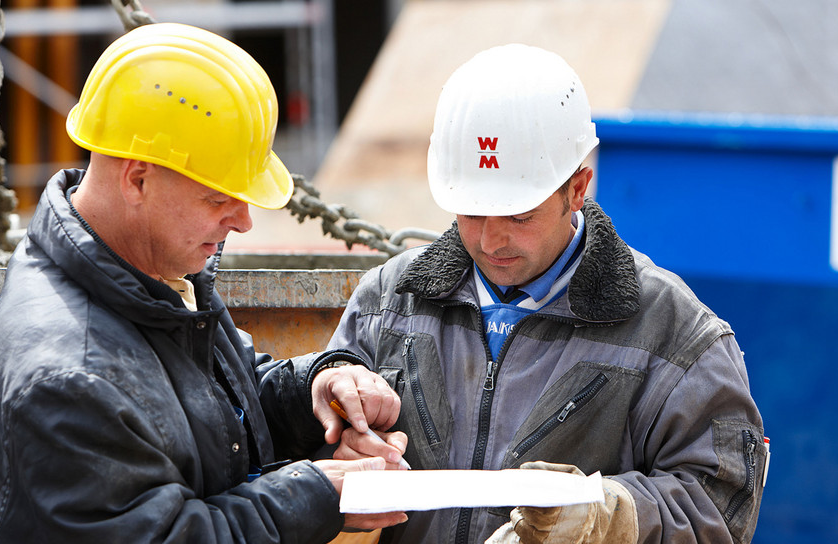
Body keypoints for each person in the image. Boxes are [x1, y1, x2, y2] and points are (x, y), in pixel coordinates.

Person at [0, 23, 408, 543]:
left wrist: (315, 389)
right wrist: (316, 496)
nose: (244, 221)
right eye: (218, 198)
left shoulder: (150, 274)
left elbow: (212, 407)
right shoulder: (70, 375)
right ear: (138, 179)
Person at [326, 44, 767, 543]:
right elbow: (296, 463)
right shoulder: (387, 301)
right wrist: (341, 449)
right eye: (471, 212)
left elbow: (720, 506)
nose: (490, 241)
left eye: (519, 215)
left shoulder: (675, 334)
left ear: (577, 188)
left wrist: (606, 517)